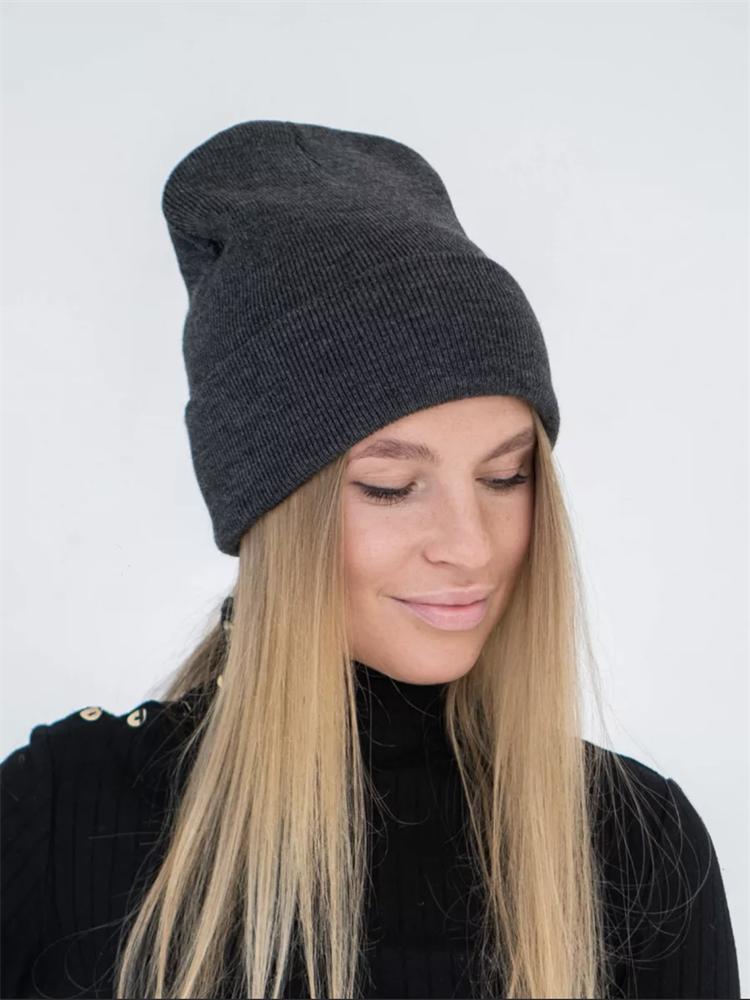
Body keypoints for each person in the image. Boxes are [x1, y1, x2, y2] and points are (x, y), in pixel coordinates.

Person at [0, 120, 740, 1000]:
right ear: (273, 509)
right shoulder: (60, 816)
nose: (470, 544)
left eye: (504, 477)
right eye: (390, 486)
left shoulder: (638, 848)